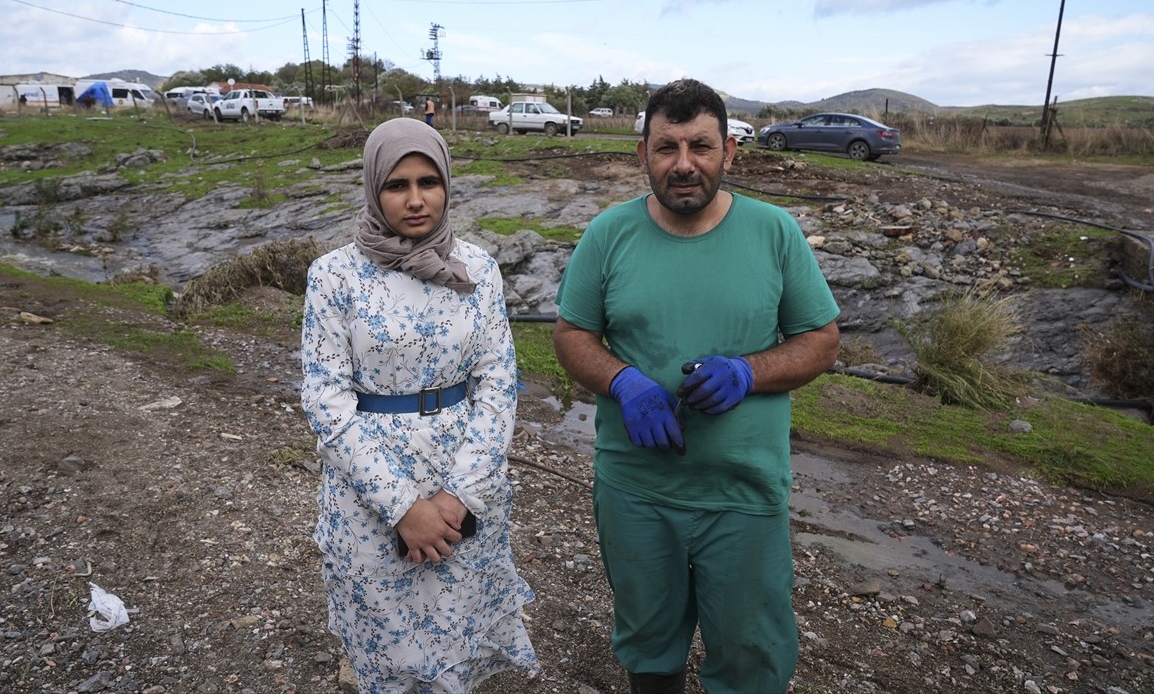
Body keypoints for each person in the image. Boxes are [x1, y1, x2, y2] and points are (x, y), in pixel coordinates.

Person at [553, 78, 840, 694]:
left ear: (729, 152)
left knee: (749, 657)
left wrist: (749, 371)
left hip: (743, 492)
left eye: (701, 147)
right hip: (636, 490)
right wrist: (624, 381)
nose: (684, 165)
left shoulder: (774, 232)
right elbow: (572, 335)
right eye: (667, 148)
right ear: (643, 155)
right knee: (649, 647)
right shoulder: (608, 234)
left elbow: (821, 340)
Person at [301, 118, 539, 692]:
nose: (414, 200)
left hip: (465, 480)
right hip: (370, 490)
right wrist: (404, 507)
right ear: (372, 187)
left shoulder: (478, 269)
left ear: (447, 184)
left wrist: (456, 495)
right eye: (396, 184)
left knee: (458, 634)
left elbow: (497, 383)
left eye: (428, 182)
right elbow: (326, 401)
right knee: (386, 642)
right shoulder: (334, 276)